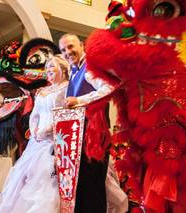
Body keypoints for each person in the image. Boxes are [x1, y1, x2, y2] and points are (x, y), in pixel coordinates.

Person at [0, 55, 69, 213]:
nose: (48, 70)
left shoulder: (68, 88)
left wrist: (49, 129)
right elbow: (35, 114)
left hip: (57, 139)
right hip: (37, 141)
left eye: (52, 67)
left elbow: (67, 114)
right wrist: (34, 130)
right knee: (24, 179)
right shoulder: (43, 91)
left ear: (63, 69)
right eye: (47, 68)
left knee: (48, 180)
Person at [59, 34, 124, 213]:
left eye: (71, 47)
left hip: (94, 136)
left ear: (81, 45)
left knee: (92, 186)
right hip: (78, 136)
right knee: (82, 185)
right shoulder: (74, 70)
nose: (68, 52)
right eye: (63, 50)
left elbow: (110, 87)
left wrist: (78, 100)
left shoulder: (91, 67)